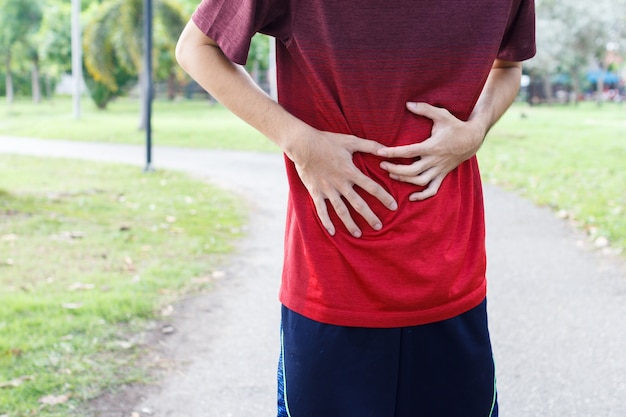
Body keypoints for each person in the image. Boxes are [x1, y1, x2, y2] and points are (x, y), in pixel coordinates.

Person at [176, 1, 535, 416]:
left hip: (451, 280)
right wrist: (299, 141)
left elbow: (507, 67)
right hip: (332, 283)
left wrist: (475, 130)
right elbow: (196, 47)